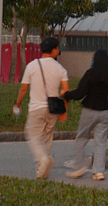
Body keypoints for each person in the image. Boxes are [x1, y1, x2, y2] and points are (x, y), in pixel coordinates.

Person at [13, 37, 68, 179]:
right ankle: (42, 169)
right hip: (53, 109)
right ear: (55, 50)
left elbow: (24, 88)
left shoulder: (32, 66)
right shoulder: (60, 69)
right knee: (47, 137)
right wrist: (64, 111)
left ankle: (42, 160)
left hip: (36, 108)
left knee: (33, 135)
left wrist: (18, 103)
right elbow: (65, 92)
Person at [62, 48, 108, 181]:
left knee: (82, 138)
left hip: (89, 111)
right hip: (104, 112)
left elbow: (81, 93)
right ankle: (98, 171)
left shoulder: (90, 74)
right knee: (101, 142)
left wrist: (66, 95)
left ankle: (79, 166)